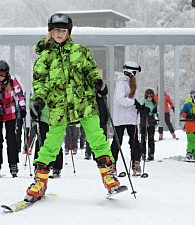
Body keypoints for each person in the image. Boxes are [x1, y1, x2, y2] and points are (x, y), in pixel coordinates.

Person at [25, 13, 120, 202]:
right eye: (56, 30)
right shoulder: (45, 57)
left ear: (68, 33)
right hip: (58, 106)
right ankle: (40, 180)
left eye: (63, 30)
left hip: (83, 103)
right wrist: (38, 100)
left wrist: (97, 82)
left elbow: (91, 70)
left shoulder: (80, 51)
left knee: (97, 137)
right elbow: (40, 83)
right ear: (50, 32)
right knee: (50, 143)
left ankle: (108, 175)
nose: (59, 34)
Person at [110, 61, 144, 176]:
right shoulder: (121, 84)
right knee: (117, 143)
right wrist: (133, 102)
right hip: (120, 118)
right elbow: (120, 100)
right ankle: (112, 165)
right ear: (131, 71)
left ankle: (136, 164)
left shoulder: (132, 83)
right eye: (135, 72)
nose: (136, 75)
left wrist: (141, 106)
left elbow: (135, 100)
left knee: (134, 142)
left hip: (132, 118)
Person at [30, 102, 63, 178]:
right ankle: (39, 166)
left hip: (56, 117)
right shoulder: (40, 91)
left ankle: (56, 167)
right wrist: (34, 109)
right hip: (43, 117)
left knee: (56, 141)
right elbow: (33, 100)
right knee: (41, 141)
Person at [85, 92, 109, 160]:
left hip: (103, 119)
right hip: (94, 119)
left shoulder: (103, 97)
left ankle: (103, 154)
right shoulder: (92, 98)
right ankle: (89, 152)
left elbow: (105, 108)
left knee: (103, 136)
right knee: (92, 135)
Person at [139, 89, 157, 161]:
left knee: (151, 139)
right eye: (148, 96)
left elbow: (154, 110)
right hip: (144, 122)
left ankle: (151, 154)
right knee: (143, 139)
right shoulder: (142, 101)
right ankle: (143, 153)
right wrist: (143, 110)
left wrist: (154, 111)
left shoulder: (154, 103)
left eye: (151, 96)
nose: (150, 98)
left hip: (151, 122)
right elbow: (138, 109)